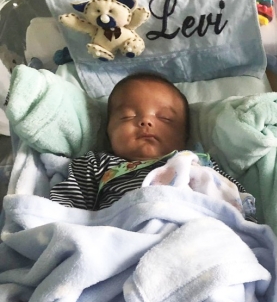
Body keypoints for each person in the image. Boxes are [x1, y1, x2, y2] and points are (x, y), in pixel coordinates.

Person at [49, 72, 249, 211]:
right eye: (127, 116)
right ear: (108, 132)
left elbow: (234, 200)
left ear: (184, 137)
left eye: (165, 118)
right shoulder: (97, 164)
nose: (146, 121)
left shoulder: (196, 162)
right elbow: (65, 209)